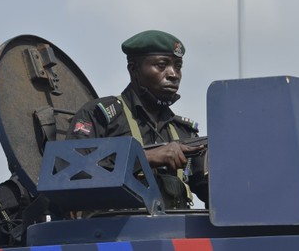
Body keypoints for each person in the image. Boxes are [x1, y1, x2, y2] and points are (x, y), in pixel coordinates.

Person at [66, 30, 208, 209]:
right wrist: (144, 158)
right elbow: (71, 171)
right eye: (162, 65)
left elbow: (216, 192)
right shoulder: (101, 116)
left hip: (174, 233)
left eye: (178, 66)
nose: (173, 74)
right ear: (134, 69)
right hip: (112, 232)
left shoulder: (183, 131)